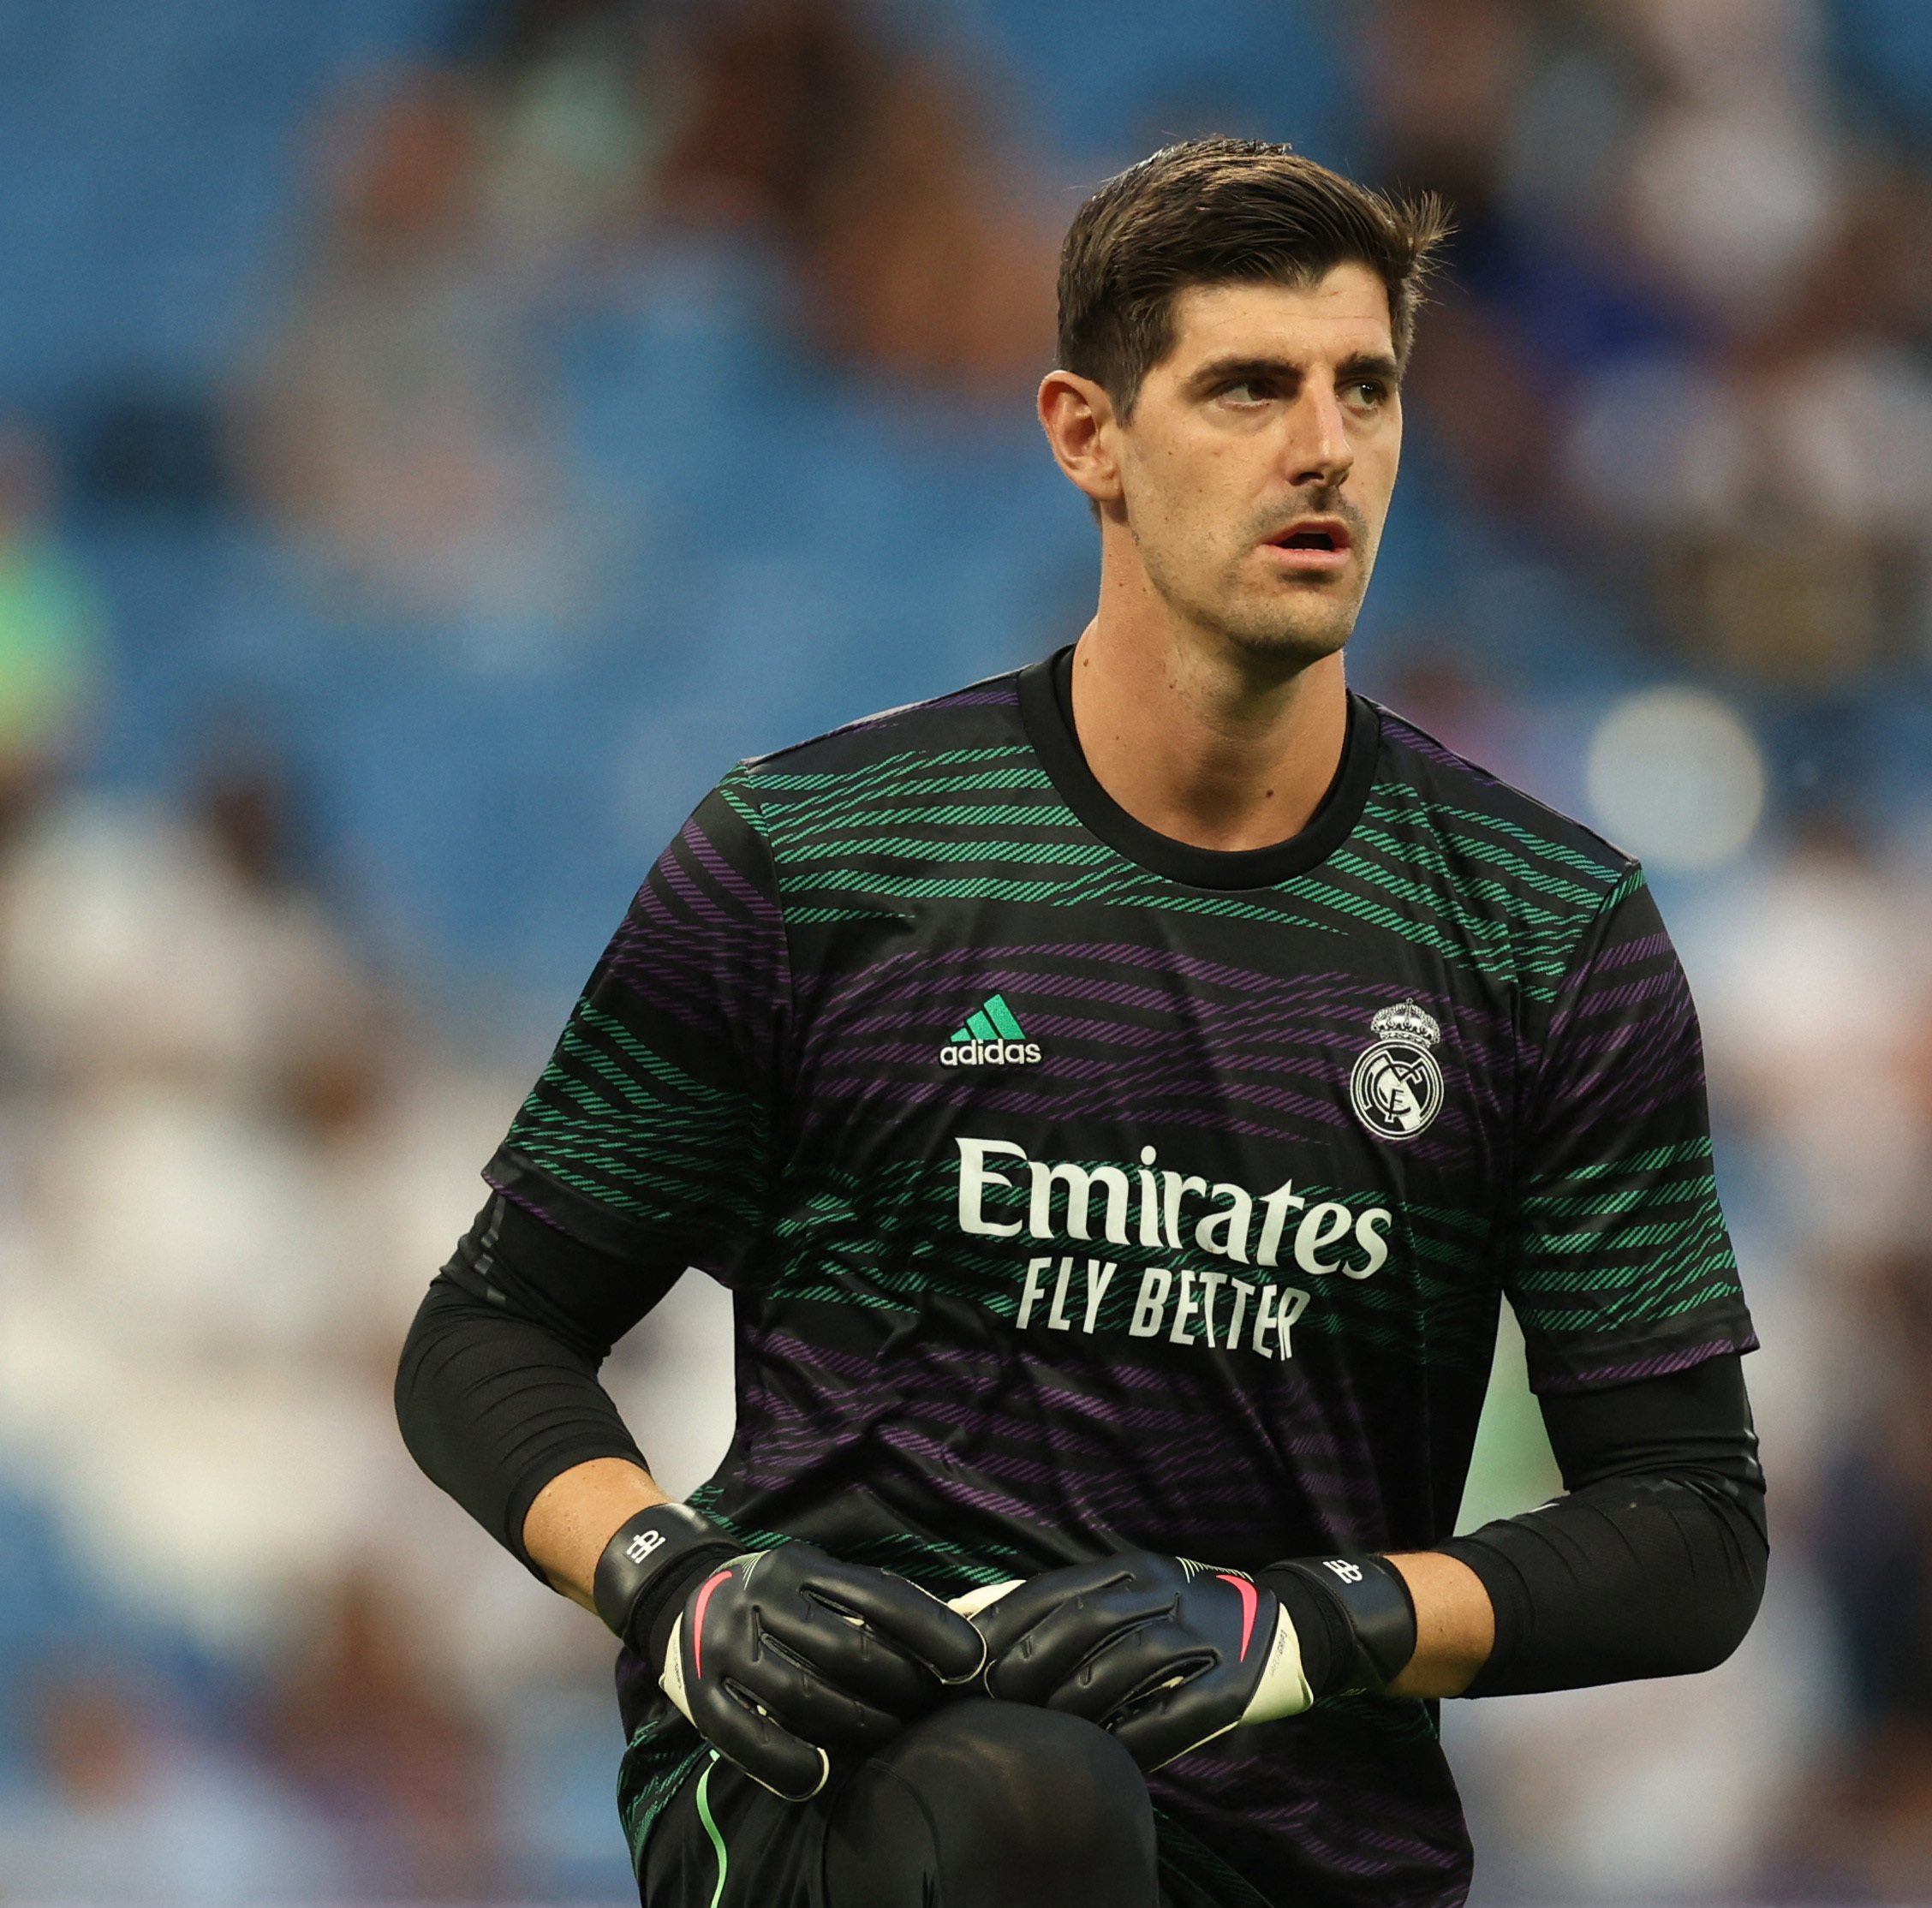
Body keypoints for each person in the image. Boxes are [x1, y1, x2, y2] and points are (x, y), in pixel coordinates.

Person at [397, 137, 1766, 1908]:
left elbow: (1688, 1531)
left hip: (1300, 1826)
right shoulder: (823, 855)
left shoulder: (1541, 928)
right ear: (1085, 434)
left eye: (1365, 389)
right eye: (1247, 389)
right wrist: (678, 1583)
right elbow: (486, 1333)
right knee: (1033, 1807)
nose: (1322, 447)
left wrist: (1311, 1623)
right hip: (846, 1785)